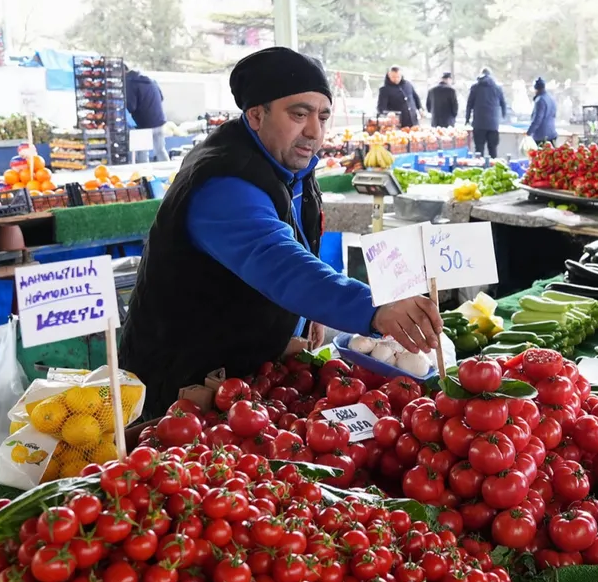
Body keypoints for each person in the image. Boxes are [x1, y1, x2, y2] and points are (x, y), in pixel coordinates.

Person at [120, 47, 443, 417]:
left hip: (240, 376)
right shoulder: (224, 181)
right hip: (182, 383)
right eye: (299, 114)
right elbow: (277, 261)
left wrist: (309, 313)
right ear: (256, 114)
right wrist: (373, 307)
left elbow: (298, 239)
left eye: (323, 116)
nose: (314, 131)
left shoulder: (285, 163)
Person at [125, 69, 169, 163]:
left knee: (142, 154)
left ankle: (145, 176)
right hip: (159, 121)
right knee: (160, 151)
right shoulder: (151, 80)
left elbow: (131, 106)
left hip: (143, 124)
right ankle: (171, 174)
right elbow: (161, 98)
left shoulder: (130, 82)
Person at [466, 67, 507, 157]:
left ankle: (479, 170)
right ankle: (494, 170)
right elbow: (503, 104)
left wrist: (467, 119)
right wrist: (504, 117)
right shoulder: (497, 88)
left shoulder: (475, 87)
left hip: (478, 124)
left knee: (479, 150)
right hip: (493, 125)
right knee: (493, 150)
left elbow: (469, 105)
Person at [526, 77, 557, 146]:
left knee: (542, 156)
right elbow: (554, 114)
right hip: (552, 133)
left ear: (536, 89)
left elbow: (537, 119)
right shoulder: (550, 98)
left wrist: (528, 133)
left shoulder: (540, 100)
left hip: (542, 137)